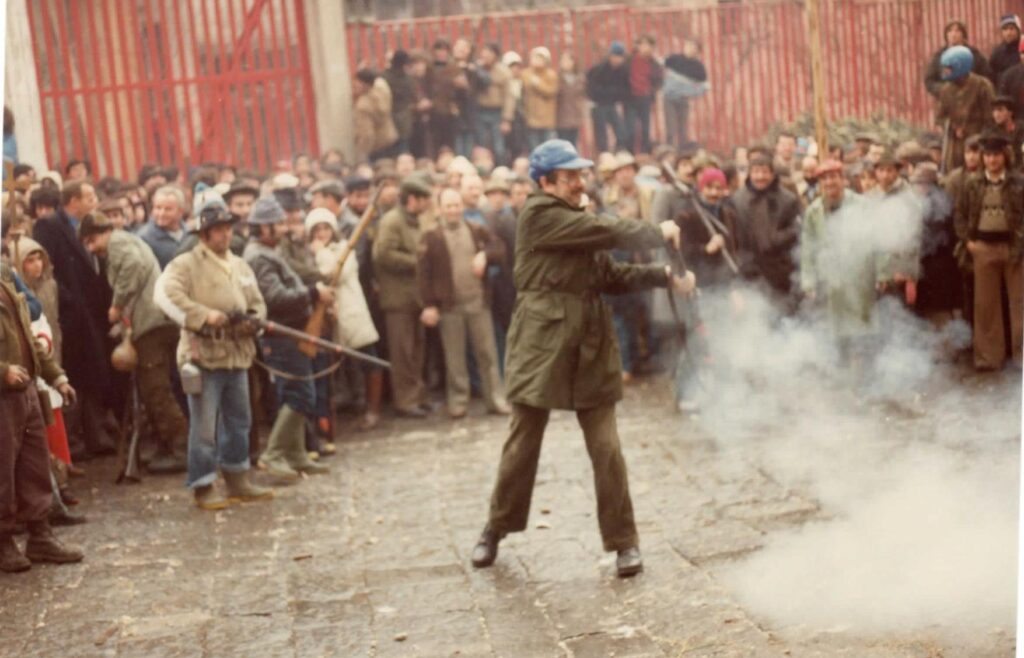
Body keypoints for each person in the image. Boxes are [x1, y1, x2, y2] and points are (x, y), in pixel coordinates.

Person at [469, 139, 694, 578]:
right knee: (522, 443)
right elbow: (611, 231)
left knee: (606, 447)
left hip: (589, 339)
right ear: (545, 182)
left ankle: (624, 543)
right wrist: (656, 231)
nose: (579, 181)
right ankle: (494, 529)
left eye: (580, 174)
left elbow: (609, 274)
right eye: (570, 176)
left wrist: (663, 276)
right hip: (543, 339)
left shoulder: (579, 219)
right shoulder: (538, 214)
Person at [155, 204, 273, 510]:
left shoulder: (240, 265)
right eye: (218, 229)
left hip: (237, 353)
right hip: (203, 354)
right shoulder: (185, 264)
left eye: (228, 228)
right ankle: (203, 484)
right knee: (204, 427)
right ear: (204, 233)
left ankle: (238, 478)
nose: (225, 234)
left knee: (240, 421)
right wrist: (205, 315)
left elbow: (257, 302)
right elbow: (166, 295)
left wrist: (252, 320)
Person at [79, 214, 188, 475]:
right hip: (152, 322)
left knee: (156, 390)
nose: (92, 248)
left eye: (92, 240)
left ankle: (181, 449)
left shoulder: (118, 243)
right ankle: (168, 445)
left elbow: (133, 267)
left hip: (150, 325)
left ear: (104, 232)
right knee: (155, 389)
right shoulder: (125, 240)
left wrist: (117, 304)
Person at [0, 261, 82, 573]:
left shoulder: (4, 277)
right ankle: (4, 542)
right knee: (3, 473)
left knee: (34, 466)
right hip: (4, 395)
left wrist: (56, 376)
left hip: (27, 391)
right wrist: (4, 372)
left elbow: (29, 337)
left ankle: (40, 534)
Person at [243, 197, 332, 479]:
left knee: (299, 394)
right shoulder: (259, 256)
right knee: (298, 394)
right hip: (281, 335)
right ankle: (275, 454)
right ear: (263, 228)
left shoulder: (268, 251)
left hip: (291, 333)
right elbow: (274, 298)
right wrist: (313, 294)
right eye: (277, 224)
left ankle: (295, 454)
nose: (283, 228)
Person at [32, 180, 116, 460]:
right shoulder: (49, 226)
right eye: (89, 196)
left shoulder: (84, 227)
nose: (94, 201)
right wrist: (69, 302)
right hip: (70, 315)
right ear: (72, 201)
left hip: (92, 313)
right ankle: (77, 440)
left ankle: (96, 433)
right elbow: (47, 270)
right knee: (74, 375)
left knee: (92, 374)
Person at [418, 188, 509, 418]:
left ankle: (496, 399)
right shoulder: (432, 236)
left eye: (457, 205)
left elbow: (499, 248)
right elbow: (423, 275)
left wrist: (484, 255)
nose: (453, 210)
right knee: (454, 358)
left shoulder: (475, 229)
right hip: (450, 307)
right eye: (448, 206)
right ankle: (458, 402)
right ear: (440, 209)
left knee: (487, 354)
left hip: (478, 302)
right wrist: (429, 304)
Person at [307, 208, 384, 431]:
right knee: (332, 367)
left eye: (325, 228)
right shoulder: (307, 252)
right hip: (326, 317)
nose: (322, 233)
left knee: (368, 359)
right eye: (317, 229)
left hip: (351, 312)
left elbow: (335, 274)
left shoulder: (343, 249)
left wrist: (321, 252)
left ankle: (373, 409)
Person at [799, 160, 880, 369]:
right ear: (819, 183)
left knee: (864, 328)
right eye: (824, 178)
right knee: (837, 331)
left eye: (833, 176)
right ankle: (842, 375)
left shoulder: (862, 205)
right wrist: (808, 280)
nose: (829, 182)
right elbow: (808, 248)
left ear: (842, 179)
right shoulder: (813, 212)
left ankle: (868, 376)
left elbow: (878, 242)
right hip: (832, 279)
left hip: (860, 277)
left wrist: (881, 273)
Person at [953, 133, 1024, 370]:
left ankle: (1021, 357)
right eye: (988, 155)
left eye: (996, 155)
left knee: (1019, 304)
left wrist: (1020, 241)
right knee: (986, 306)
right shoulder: (971, 184)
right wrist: (969, 242)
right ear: (983, 158)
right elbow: (960, 215)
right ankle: (988, 358)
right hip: (982, 249)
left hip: (1013, 249)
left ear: (1004, 156)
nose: (992, 160)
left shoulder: (1018, 182)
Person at [373, 177, 434, 417]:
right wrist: (416, 263)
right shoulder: (392, 221)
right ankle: (405, 401)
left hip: (414, 298)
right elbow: (383, 254)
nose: (427, 204)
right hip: (398, 299)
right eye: (423, 200)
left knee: (416, 350)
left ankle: (416, 396)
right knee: (403, 352)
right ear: (412, 200)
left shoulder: (411, 220)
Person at [731, 156, 803, 302]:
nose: (760, 177)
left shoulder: (788, 199)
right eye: (756, 172)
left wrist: (777, 238)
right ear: (749, 174)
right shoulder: (737, 200)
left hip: (782, 271)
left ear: (772, 174)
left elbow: (799, 228)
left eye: (765, 172)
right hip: (750, 269)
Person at [936, 45, 995, 173]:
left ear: (960, 66)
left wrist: (981, 136)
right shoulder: (946, 90)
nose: (946, 72)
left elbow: (991, 117)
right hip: (955, 144)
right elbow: (940, 117)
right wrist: (953, 128)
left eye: (949, 69)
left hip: (979, 141)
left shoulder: (982, 86)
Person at [924, 20, 991, 97]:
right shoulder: (939, 56)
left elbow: (987, 76)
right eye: (950, 31)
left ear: (963, 34)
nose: (953, 34)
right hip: (947, 101)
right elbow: (929, 80)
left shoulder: (974, 54)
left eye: (957, 30)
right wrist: (942, 90)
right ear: (946, 35)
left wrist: (975, 90)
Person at [663, 40, 709, 150]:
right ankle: (670, 148)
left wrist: (689, 93)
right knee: (671, 125)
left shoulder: (698, 67)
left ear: (698, 51)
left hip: (683, 99)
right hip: (669, 98)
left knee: (682, 127)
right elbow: (660, 69)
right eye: (689, 45)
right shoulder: (674, 59)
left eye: (694, 47)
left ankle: (683, 150)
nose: (690, 49)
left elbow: (703, 87)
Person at [586, 42, 630, 154]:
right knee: (601, 133)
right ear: (610, 56)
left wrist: (616, 95)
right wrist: (608, 93)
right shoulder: (599, 69)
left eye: (620, 57)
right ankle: (603, 154)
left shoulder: (623, 70)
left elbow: (624, 89)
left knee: (621, 131)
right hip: (599, 104)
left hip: (612, 104)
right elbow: (591, 88)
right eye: (616, 56)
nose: (618, 59)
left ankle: (620, 151)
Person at [475, 43, 514, 165]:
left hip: (497, 111)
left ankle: (500, 168)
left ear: (495, 55)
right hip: (480, 110)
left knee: (498, 145)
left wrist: (506, 119)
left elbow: (509, 96)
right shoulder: (477, 69)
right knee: (481, 144)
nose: (485, 55)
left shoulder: (503, 71)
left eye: (489, 52)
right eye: (484, 52)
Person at [624, 36, 663, 154]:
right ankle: (629, 151)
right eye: (642, 44)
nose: (645, 48)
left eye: (648, 45)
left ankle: (646, 152)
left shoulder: (654, 63)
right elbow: (621, 76)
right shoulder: (629, 60)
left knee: (645, 127)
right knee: (630, 128)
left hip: (645, 98)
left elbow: (659, 80)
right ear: (638, 46)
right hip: (630, 98)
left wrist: (651, 91)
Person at [353, 69, 400, 163]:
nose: (354, 87)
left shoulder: (363, 105)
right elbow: (379, 80)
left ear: (364, 84)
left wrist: (363, 153)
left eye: (356, 84)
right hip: (390, 137)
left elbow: (367, 134)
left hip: (377, 146)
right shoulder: (382, 90)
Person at [137, 185, 188, 269]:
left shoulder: (191, 234)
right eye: (158, 208)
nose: (161, 213)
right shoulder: (144, 238)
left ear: (180, 211)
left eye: (168, 209)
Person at [521, 47, 558, 152]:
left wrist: (538, 83)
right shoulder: (526, 74)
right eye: (534, 58)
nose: (536, 61)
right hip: (531, 116)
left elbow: (551, 91)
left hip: (546, 118)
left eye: (540, 58)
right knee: (534, 148)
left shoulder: (551, 75)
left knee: (547, 148)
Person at [555, 52, 585, 148]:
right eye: (563, 60)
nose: (565, 63)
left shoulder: (580, 78)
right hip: (561, 117)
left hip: (575, 116)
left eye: (568, 60)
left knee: (574, 144)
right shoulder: (557, 78)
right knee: (563, 144)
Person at [991, 96, 1024, 168]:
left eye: (1000, 110)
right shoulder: (991, 132)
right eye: (994, 111)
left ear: (1010, 112)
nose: (996, 114)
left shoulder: (1021, 129)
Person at [990, 14, 1022, 83]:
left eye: (1011, 28)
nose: (1008, 33)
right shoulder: (997, 53)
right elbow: (991, 76)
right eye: (1005, 29)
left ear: (1018, 30)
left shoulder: (1022, 50)